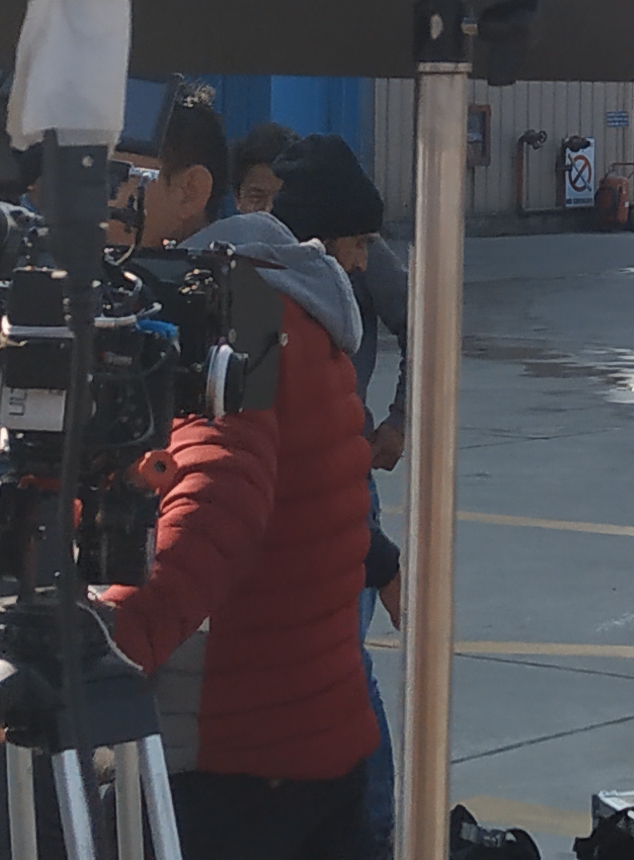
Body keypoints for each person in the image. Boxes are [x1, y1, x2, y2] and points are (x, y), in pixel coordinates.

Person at [93, 94, 384, 860]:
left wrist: (108, 642)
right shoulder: (277, 293)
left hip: (240, 759)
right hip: (311, 733)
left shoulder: (226, 314)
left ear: (191, 189)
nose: (99, 207)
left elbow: (219, 497)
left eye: (119, 181)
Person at [263, 134, 409, 851]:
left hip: (341, 495)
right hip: (292, 506)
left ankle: (371, 828)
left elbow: (429, 323)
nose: (360, 261)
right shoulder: (258, 294)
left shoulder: (343, 284)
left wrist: (401, 418)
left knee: (344, 668)